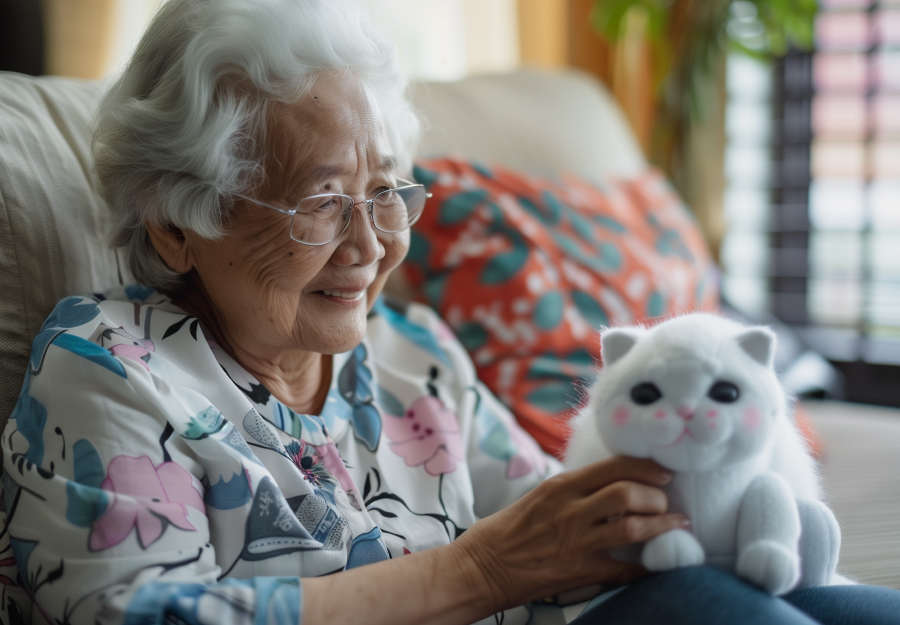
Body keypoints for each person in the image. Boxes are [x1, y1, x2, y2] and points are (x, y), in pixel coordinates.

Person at [1, 1, 898, 624]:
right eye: (319, 203)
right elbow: (131, 612)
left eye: (387, 192)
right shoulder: (109, 368)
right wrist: (481, 569)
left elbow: (554, 515)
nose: (371, 246)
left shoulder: (411, 354)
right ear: (176, 224)